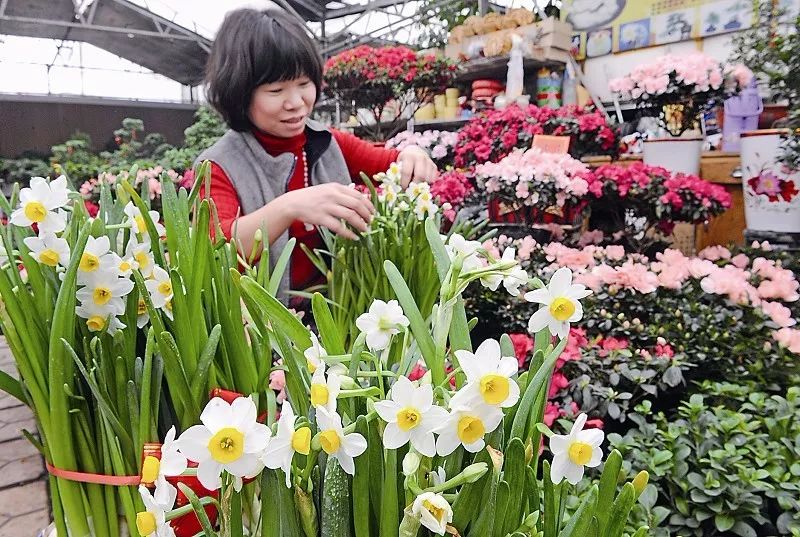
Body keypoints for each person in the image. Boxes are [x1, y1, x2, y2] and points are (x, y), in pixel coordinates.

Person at [197, 8, 437, 301]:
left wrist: (411, 153)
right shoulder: (217, 165)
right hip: (261, 327)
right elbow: (215, 245)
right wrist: (288, 208)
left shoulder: (326, 142)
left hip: (338, 315)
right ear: (239, 92)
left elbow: (393, 165)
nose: (296, 103)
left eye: (303, 84)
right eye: (276, 90)